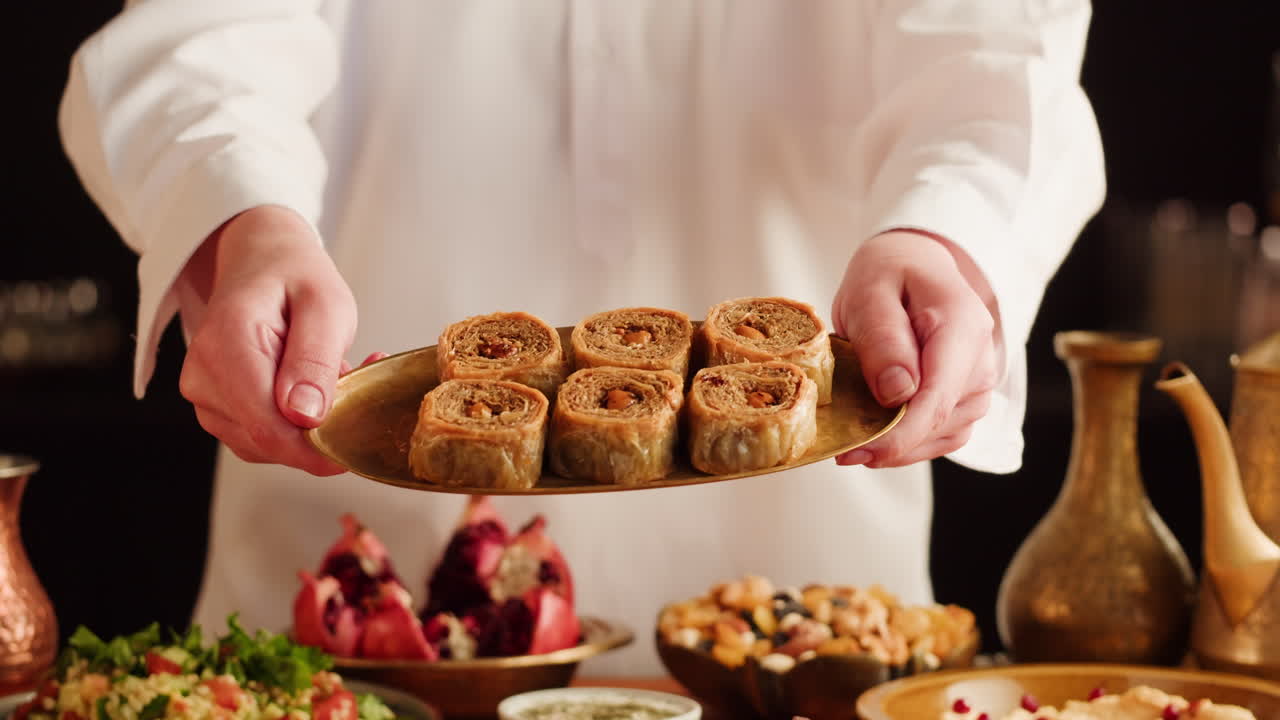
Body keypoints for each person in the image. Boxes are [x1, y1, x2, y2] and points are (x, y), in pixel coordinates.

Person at [59, 1, 1104, 674]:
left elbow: (988, 49)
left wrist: (946, 228)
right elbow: (204, 32)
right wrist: (243, 216)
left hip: (803, 627)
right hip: (351, 616)